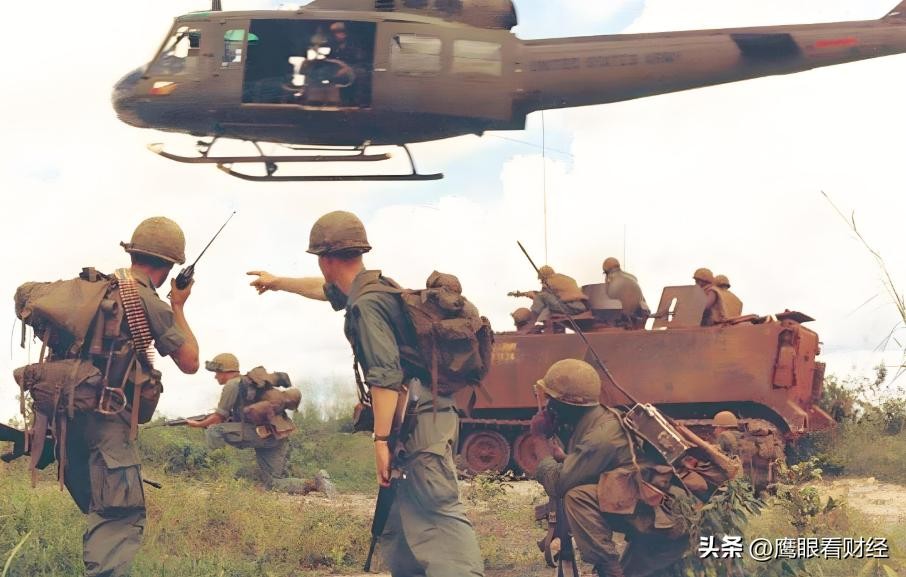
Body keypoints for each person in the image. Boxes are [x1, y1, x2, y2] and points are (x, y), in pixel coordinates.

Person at [248, 211, 484, 577]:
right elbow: (324, 289)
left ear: (325, 259)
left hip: (416, 420)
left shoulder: (367, 303)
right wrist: (278, 282)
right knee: (398, 525)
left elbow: (386, 377)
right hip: (419, 415)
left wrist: (381, 441)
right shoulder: (375, 287)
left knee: (437, 515)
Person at [67, 217, 200, 577]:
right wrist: (178, 305)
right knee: (118, 515)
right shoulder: (146, 300)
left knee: (101, 509)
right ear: (168, 266)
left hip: (69, 420)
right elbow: (190, 362)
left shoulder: (94, 290)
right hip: (108, 424)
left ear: (133, 253)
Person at [530, 359, 691, 577]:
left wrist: (539, 438)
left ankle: (609, 570)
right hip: (657, 520)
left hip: (666, 528)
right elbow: (605, 470)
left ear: (567, 404)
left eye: (552, 400)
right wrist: (566, 459)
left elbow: (556, 484)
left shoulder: (601, 436)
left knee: (578, 496)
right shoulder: (601, 420)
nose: (548, 406)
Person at [186, 353, 334, 496]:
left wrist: (197, 424)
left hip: (259, 434)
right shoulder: (250, 386)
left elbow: (218, 417)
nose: (215, 376)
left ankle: (219, 476)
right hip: (278, 435)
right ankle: (316, 483)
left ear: (225, 371)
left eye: (217, 373)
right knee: (273, 483)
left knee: (214, 431)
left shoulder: (232, 385)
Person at [602, 257, 650, 330]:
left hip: (622, 323)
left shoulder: (611, 281)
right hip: (637, 321)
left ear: (606, 272)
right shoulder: (632, 279)